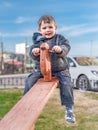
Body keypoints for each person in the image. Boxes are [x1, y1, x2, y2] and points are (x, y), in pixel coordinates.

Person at [24, 15, 76, 124]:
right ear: (40, 30)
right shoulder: (38, 41)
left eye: (50, 27)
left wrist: (60, 49)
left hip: (60, 69)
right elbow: (31, 52)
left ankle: (69, 109)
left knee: (67, 84)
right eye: (44, 28)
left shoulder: (60, 38)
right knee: (29, 80)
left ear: (55, 28)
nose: (47, 30)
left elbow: (66, 46)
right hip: (41, 69)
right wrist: (35, 52)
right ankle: (26, 103)